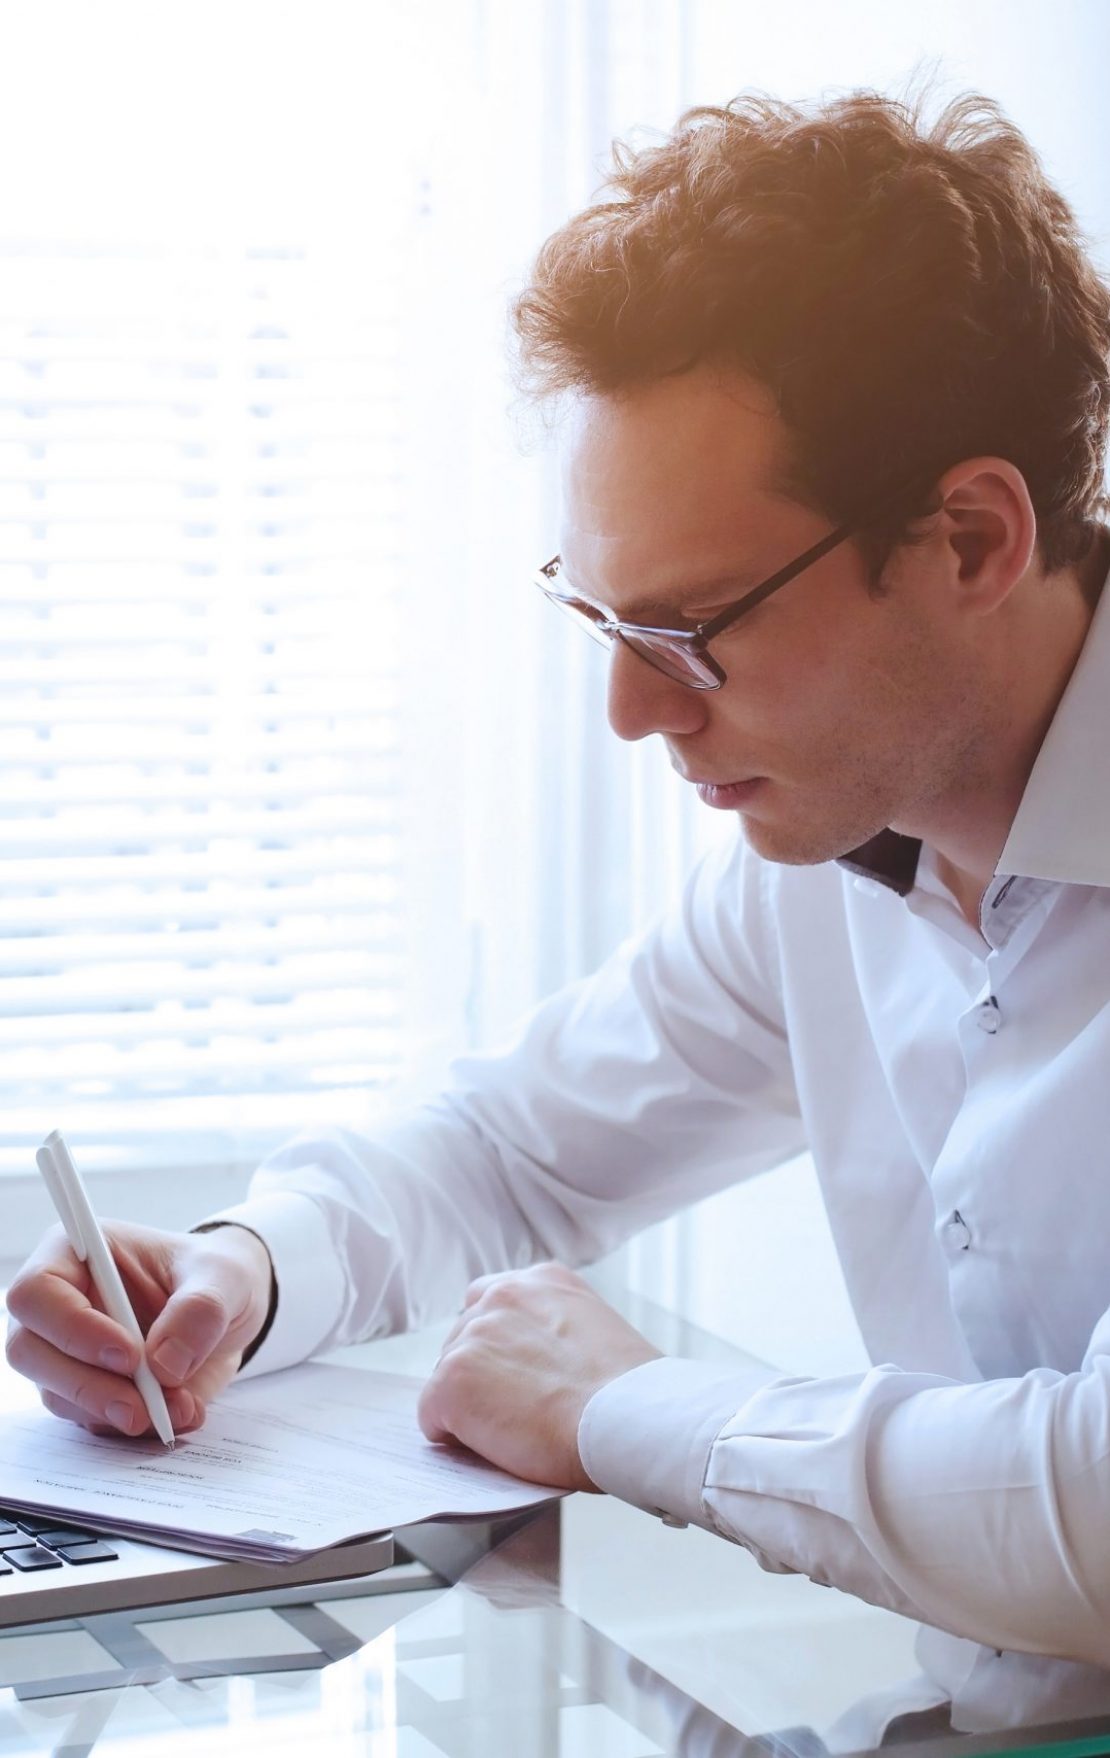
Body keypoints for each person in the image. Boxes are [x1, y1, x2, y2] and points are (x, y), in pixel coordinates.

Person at [7, 89, 1110, 1735]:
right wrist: (244, 1272)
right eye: (600, 616)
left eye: (689, 628)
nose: (627, 713)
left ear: (966, 536)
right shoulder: (826, 862)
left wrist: (620, 1409)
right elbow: (511, 1151)